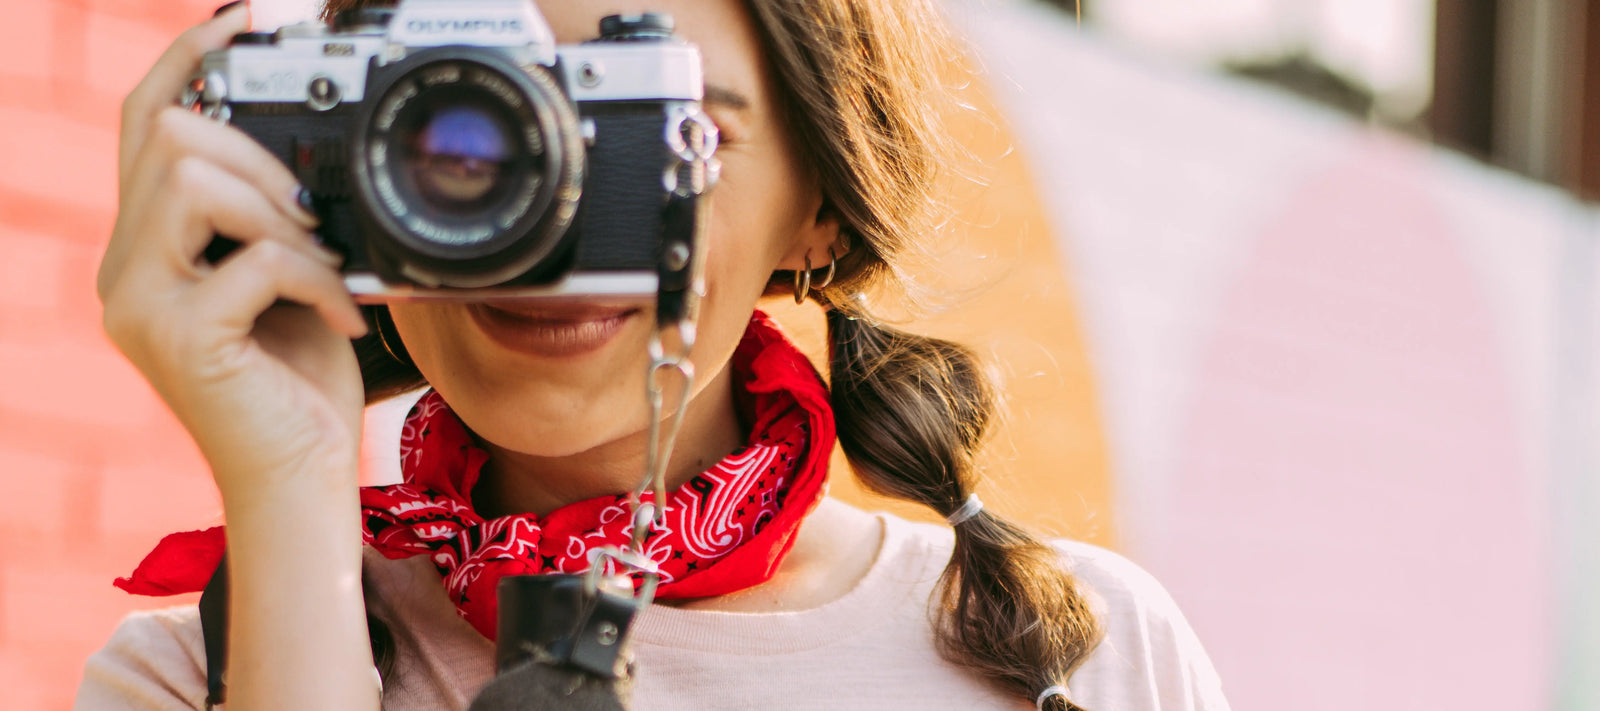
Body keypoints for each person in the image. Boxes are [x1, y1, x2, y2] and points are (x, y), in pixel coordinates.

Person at [76, 0, 1231, 709]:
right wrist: (288, 489)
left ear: (819, 204)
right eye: (459, 131)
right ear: (340, 158)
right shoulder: (188, 684)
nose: (548, 223)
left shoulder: (1089, 660)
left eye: (662, 130)